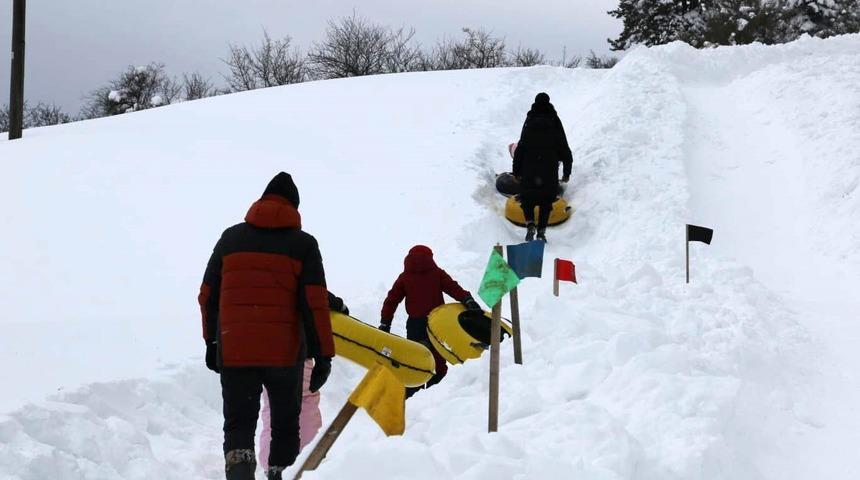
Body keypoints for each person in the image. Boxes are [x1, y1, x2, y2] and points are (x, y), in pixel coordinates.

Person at [198, 172, 335, 480]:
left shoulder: (230, 239)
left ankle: (240, 475)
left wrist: (212, 342)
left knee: (238, 425)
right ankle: (278, 474)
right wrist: (323, 354)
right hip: (284, 354)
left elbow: (207, 296)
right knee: (286, 423)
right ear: (294, 207)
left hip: (235, 349)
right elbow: (315, 303)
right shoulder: (304, 245)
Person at [258, 292, 349, 471]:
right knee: (306, 401)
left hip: (265, 351)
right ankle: (309, 458)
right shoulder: (295, 269)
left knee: (273, 405)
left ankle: (270, 462)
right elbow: (314, 291)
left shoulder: (256, 274)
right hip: (296, 350)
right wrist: (339, 306)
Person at [378, 245, 482, 397]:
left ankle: (409, 392)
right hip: (438, 322)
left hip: (415, 325)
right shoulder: (437, 273)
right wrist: (468, 300)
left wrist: (385, 322)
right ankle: (436, 393)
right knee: (439, 357)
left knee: (416, 359)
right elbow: (453, 288)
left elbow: (391, 300)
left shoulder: (405, 277)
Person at [512, 92, 573, 242]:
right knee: (546, 201)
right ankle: (541, 232)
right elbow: (564, 147)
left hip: (529, 168)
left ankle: (530, 223)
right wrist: (566, 172)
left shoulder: (530, 120)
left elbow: (521, 148)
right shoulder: (554, 121)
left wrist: (516, 171)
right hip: (549, 169)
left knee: (527, 199)